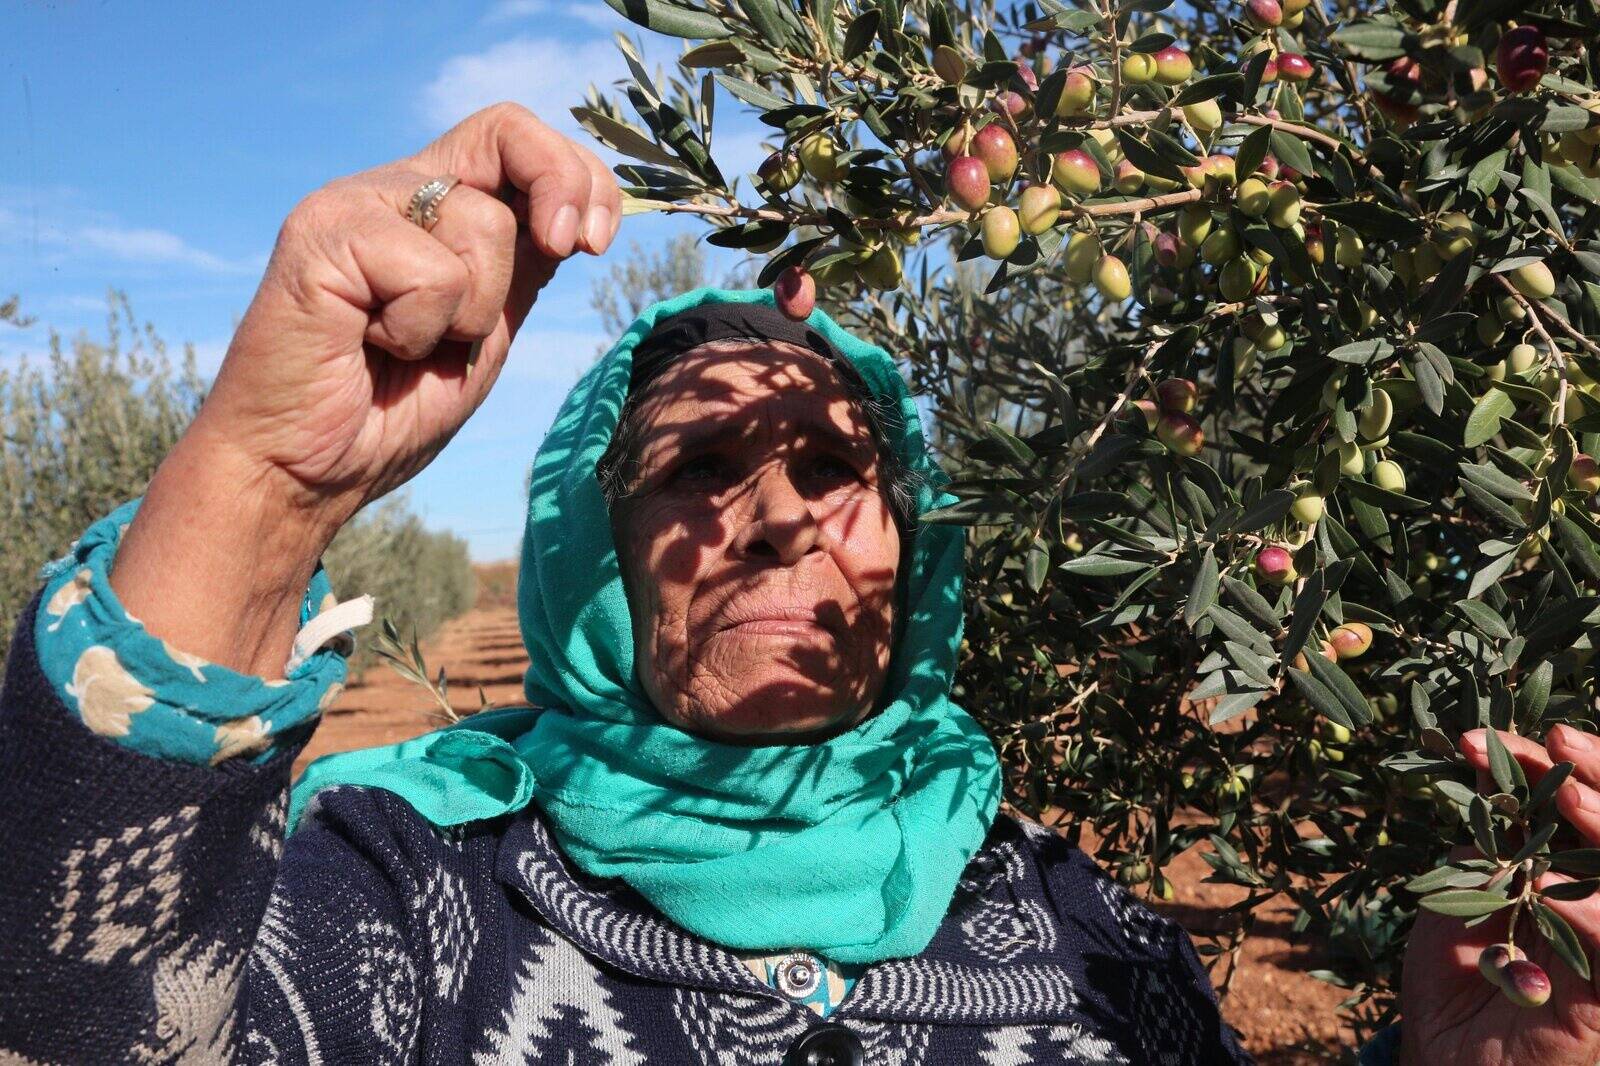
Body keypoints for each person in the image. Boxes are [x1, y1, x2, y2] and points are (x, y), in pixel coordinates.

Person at [0, 102, 1595, 1066]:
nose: (775, 516)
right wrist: (268, 485)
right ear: (596, 560)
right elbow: (93, 1027)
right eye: (698, 468)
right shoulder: (410, 892)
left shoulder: (1087, 926)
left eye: (834, 467)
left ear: (911, 545)